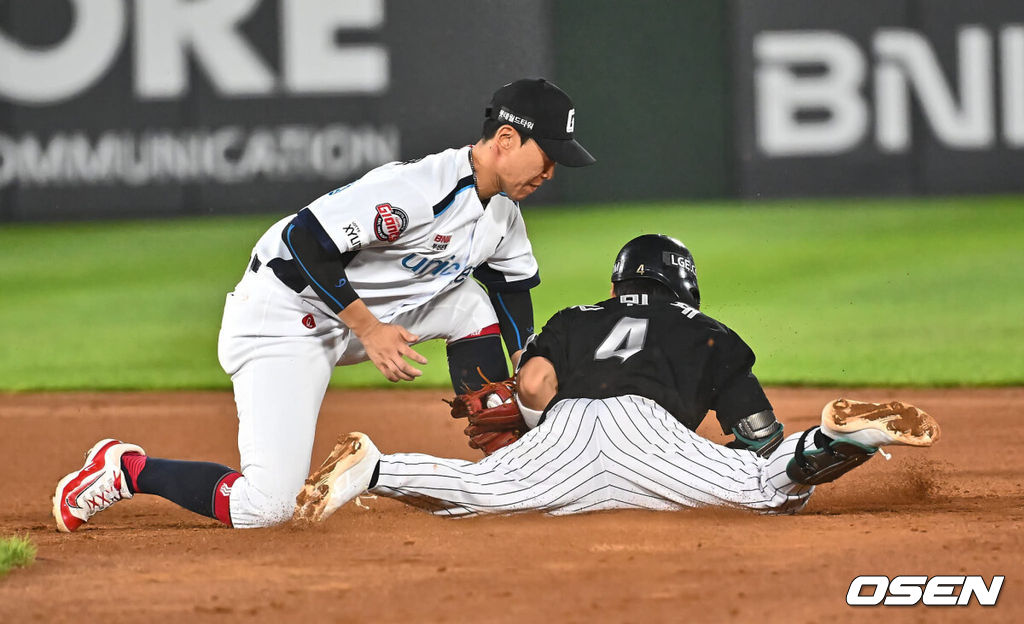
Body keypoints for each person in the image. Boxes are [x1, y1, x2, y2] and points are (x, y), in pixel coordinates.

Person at [52, 78, 596, 532]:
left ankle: (504, 462)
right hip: (284, 319)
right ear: (505, 138)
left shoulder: (501, 214)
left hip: (355, 322)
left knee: (470, 302)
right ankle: (125, 469)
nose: (550, 173)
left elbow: (509, 284)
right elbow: (303, 243)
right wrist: (372, 329)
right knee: (265, 508)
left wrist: (523, 357)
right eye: (546, 156)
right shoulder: (414, 189)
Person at [292, 234, 941, 520]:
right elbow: (759, 439)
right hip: (653, 432)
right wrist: (757, 456)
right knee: (769, 488)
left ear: (618, 282)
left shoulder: (577, 316)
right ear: (685, 288)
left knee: (479, 492)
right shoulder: (710, 332)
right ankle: (837, 439)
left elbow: (536, 388)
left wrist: (533, 429)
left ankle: (373, 467)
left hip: (571, 426)